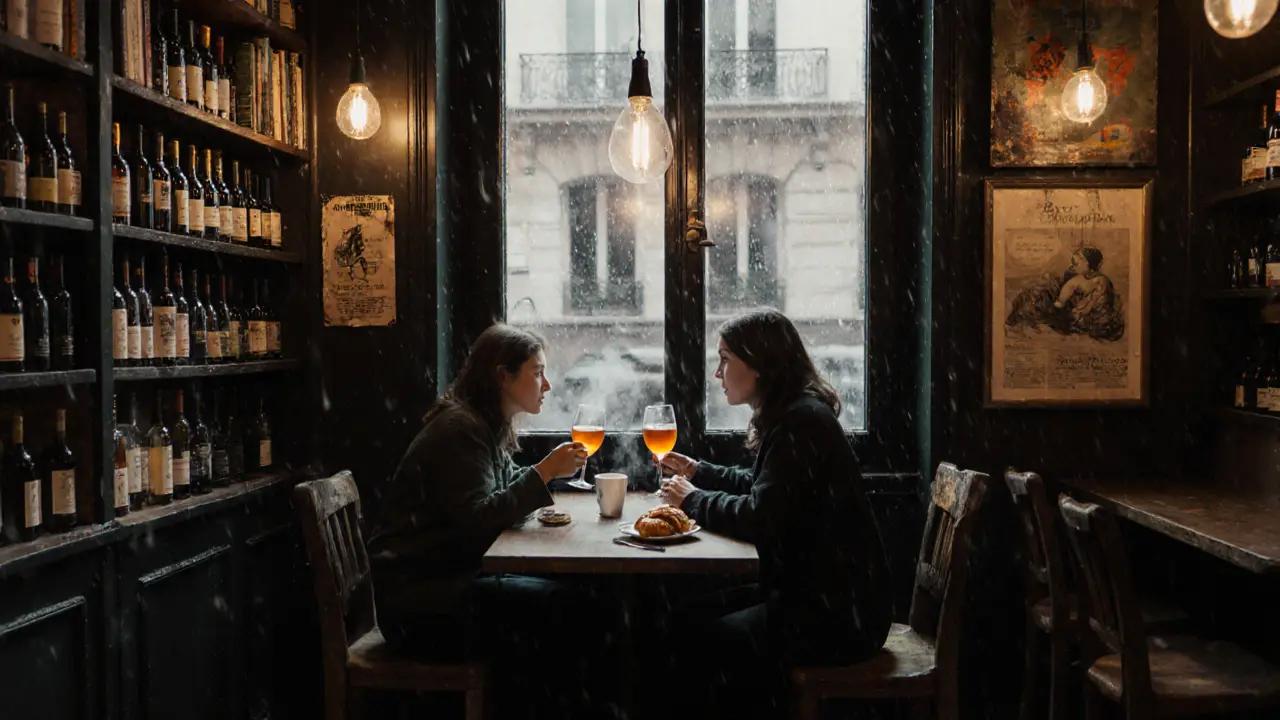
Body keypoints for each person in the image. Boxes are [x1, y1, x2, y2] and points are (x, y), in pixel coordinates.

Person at [656, 308, 892, 719]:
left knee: (704, 638)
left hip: (840, 617)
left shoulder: (801, 423)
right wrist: (700, 471)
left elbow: (761, 517)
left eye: (726, 358)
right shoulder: (795, 416)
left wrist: (692, 499)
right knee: (684, 614)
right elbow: (763, 486)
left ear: (760, 364)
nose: (718, 373)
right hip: (824, 597)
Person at [367, 324, 590, 719]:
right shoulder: (461, 429)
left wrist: (542, 477)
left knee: (564, 596)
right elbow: (477, 523)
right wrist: (543, 473)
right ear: (502, 376)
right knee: (563, 607)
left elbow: (492, 504)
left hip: (436, 587)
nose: (548, 385)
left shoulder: (483, 424)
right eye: (537, 372)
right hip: (417, 608)